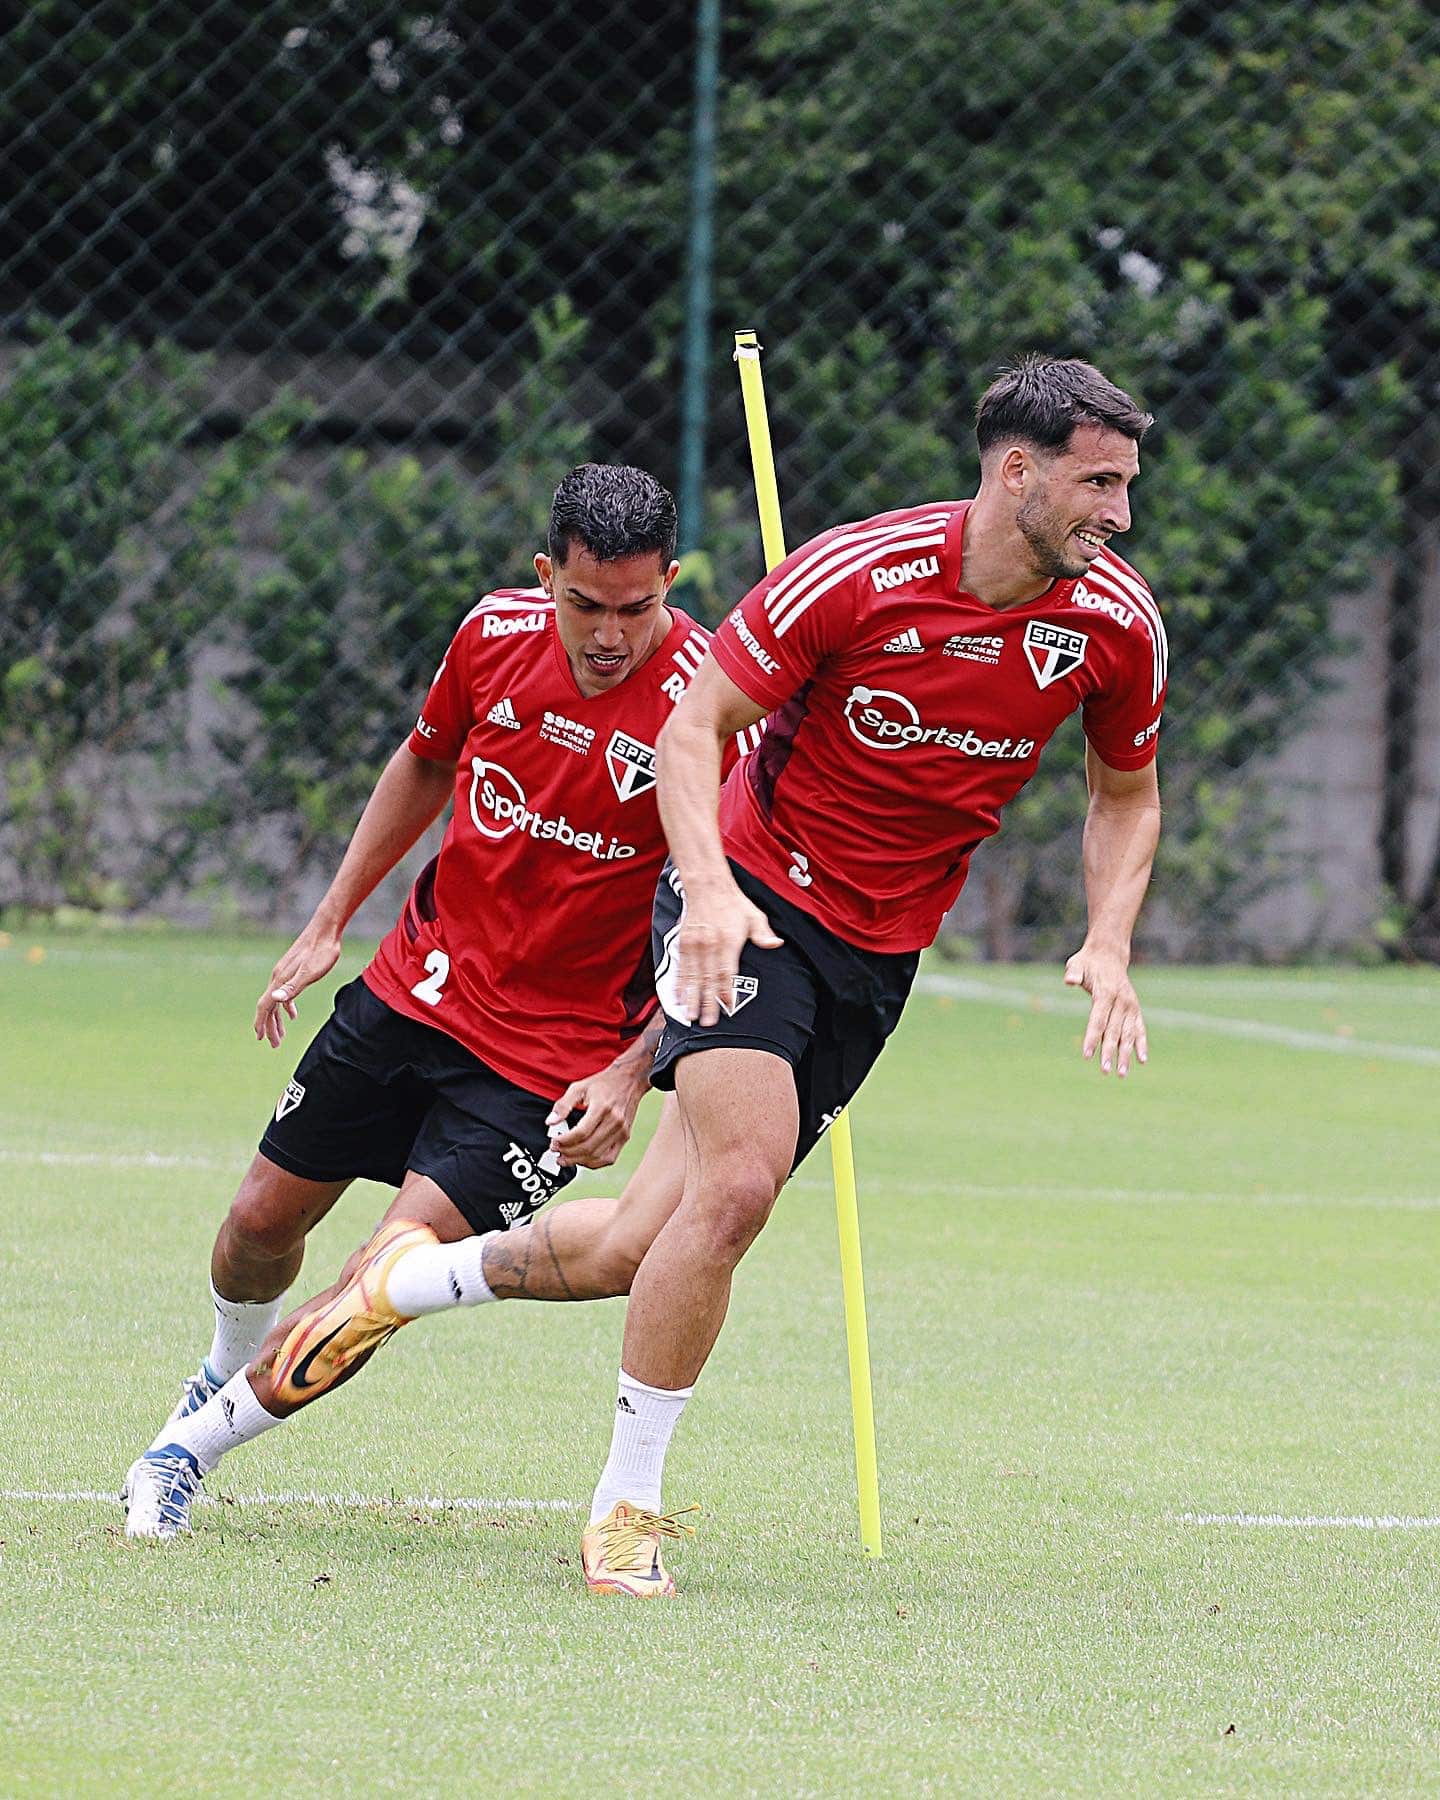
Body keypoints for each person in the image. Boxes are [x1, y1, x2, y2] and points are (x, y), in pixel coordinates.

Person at [564, 352, 1167, 1593]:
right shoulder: (859, 571)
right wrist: (712, 892)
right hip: (747, 894)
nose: (1119, 513)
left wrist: (1108, 939)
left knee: (643, 1237)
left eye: (1125, 485)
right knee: (735, 1191)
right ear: (1017, 470)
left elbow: (1126, 796)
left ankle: (420, 1279)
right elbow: (693, 732)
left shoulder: (1115, 623)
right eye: (1098, 483)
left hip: (881, 950)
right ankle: (625, 1512)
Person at [123, 462, 753, 1538]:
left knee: (383, 1279)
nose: (610, 635)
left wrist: (632, 1068)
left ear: (673, 581)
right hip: (416, 989)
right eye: (586, 605)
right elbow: (424, 763)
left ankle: (184, 1452)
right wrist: (329, 921)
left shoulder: (710, 703)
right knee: (254, 1228)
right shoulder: (493, 635)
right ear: (544, 573)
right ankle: (223, 1374)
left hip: (550, 1067)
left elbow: (715, 923)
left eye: (638, 607)